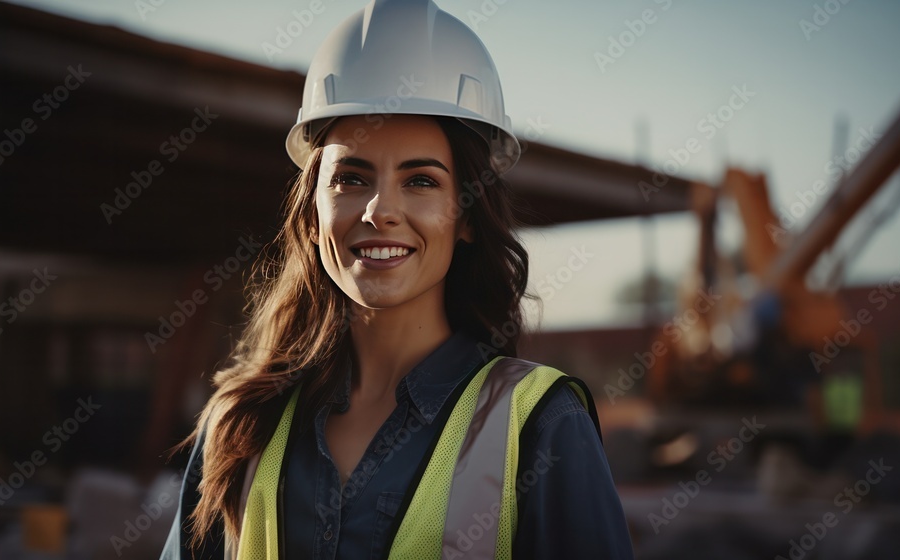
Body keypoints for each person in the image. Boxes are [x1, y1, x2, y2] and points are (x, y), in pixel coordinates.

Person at [162, 1, 633, 558]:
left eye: (421, 181)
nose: (379, 210)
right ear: (312, 216)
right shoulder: (240, 423)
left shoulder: (542, 426)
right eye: (352, 178)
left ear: (467, 218)